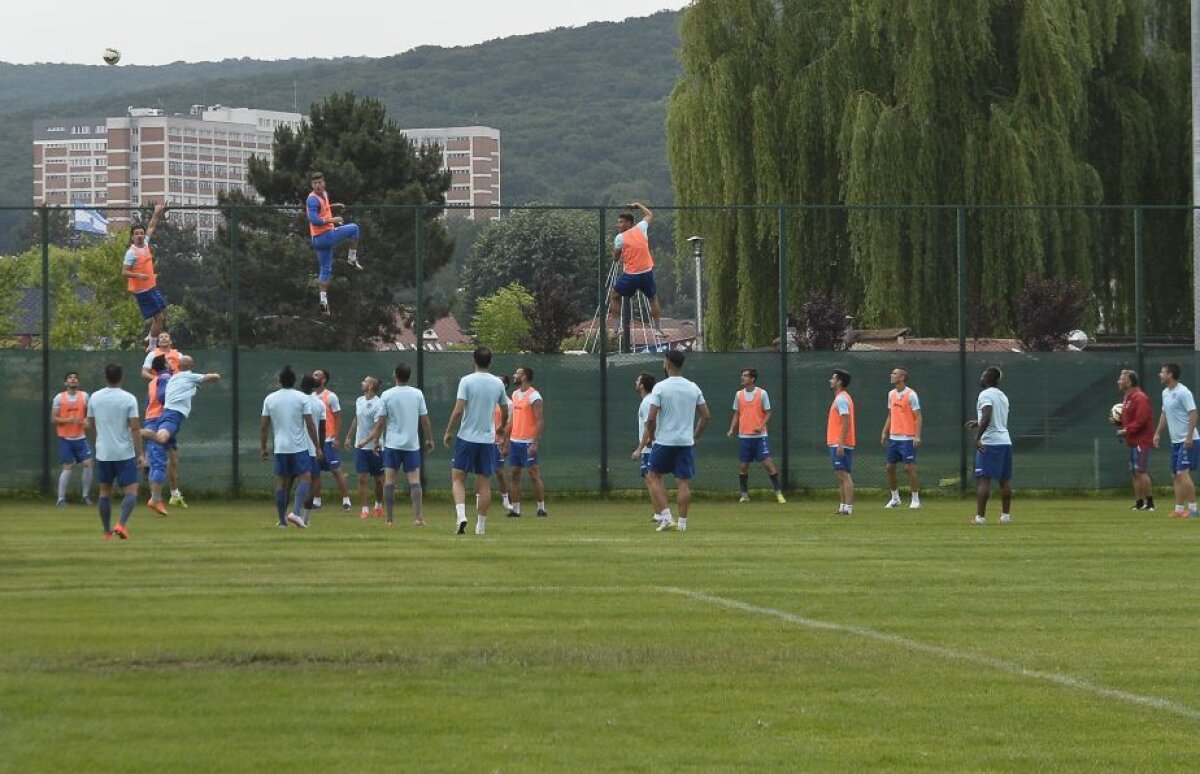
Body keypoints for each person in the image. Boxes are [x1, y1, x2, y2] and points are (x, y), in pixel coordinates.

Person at [443, 347, 509, 536]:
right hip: (487, 440)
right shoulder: (498, 383)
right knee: (484, 482)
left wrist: (448, 431)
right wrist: (502, 426)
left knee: (457, 478)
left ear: (474, 360)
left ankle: (461, 516)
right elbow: (505, 410)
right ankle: (481, 526)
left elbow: (458, 410)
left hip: (466, 438)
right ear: (490, 361)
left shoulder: (466, 381)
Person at [359, 362, 435, 527]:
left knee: (390, 481)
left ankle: (389, 519)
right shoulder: (417, 394)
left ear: (395, 375)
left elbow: (380, 422)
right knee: (414, 481)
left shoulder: (387, 395)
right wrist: (429, 439)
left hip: (392, 445)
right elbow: (425, 420)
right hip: (411, 445)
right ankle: (418, 517)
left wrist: (377, 441)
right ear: (409, 375)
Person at [642, 349, 709, 532]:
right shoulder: (693, 387)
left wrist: (652, 435)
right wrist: (695, 436)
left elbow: (651, 417)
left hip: (664, 441)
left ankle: (666, 517)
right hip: (685, 442)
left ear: (667, 363)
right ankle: (682, 523)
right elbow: (705, 416)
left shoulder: (660, 387)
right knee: (683, 481)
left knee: (653, 476)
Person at [85, 363, 144, 540]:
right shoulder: (129, 398)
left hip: (103, 452)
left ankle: (106, 532)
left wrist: (98, 443)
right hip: (124, 453)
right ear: (121, 377)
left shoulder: (94, 397)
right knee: (131, 491)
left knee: (104, 492)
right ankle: (121, 524)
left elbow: (90, 424)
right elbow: (135, 428)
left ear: (106, 377)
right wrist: (140, 453)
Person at [260, 365, 321, 529]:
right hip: (299, 447)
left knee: (281, 484)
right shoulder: (301, 398)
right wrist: (317, 446)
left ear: (279, 381)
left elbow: (264, 426)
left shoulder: (270, 399)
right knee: (306, 478)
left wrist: (263, 447)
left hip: (280, 447)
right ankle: (295, 512)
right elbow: (310, 424)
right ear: (294, 381)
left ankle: (282, 521)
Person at [726, 367, 785, 504]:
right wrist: (731, 429)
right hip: (744, 437)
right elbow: (736, 414)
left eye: (745, 376)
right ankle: (744, 495)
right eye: (742, 375)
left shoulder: (762, 393)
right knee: (743, 466)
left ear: (752, 379)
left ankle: (778, 493)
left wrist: (761, 426)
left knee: (768, 464)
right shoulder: (738, 395)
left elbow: (768, 412)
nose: (742, 378)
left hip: (760, 437)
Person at [140, 332, 187, 508]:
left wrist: (173, 383)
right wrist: (160, 380)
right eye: (161, 337)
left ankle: (174, 494)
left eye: (167, 336)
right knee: (160, 454)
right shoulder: (153, 356)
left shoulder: (178, 356)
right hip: (159, 409)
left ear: (171, 340)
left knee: (172, 457)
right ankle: (156, 497)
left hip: (170, 408)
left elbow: (185, 371)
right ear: (157, 342)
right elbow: (144, 372)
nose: (164, 338)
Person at [307, 171, 362, 315]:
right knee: (354, 229)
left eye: (319, 183)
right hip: (324, 236)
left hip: (319, 240)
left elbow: (323, 209)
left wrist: (334, 205)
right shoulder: (312, 199)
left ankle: (323, 303)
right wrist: (333, 220)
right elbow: (314, 219)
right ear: (312, 185)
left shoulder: (324, 195)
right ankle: (351, 258)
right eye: (315, 183)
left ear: (324, 183)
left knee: (325, 270)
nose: (317, 185)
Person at [608, 202, 666, 338]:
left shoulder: (620, 238)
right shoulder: (641, 227)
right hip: (647, 273)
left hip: (632, 275)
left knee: (615, 296)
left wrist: (618, 254)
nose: (618, 225)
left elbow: (615, 258)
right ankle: (658, 330)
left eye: (621, 222)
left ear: (629, 223)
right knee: (653, 299)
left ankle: (616, 329)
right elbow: (649, 214)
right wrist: (638, 205)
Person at [141, 356, 221, 448]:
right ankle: (136, 432)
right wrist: (216, 374)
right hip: (173, 414)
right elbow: (215, 377)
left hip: (168, 413)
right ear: (192, 366)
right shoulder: (190, 376)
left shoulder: (173, 378)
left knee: (172, 454)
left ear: (178, 366)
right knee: (161, 438)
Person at [966, 366, 1012, 525]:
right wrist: (978, 423)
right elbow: (995, 419)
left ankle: (980, 518)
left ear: (987, 379)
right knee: (1004, 481)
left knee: (984, 480)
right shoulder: (1003, 396)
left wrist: (977, 437)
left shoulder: (985, 394)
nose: (981, 378)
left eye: (982, 376)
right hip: (1005, 441)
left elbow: (987, 416)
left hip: (990, 442)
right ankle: (1005, 517)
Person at [1153, 362, 1198, 519]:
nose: (1160, 374)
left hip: (1188, 440)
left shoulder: (1183, 392)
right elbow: (1164, 414)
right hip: (1176, 442)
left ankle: (1193, 510)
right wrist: (1157, 433)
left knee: (1182, 473)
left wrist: (1188, 437)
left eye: (1162, 372)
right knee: (1175, 475)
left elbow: (1193, 414)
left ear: (1170, 374)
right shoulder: (1165, 392)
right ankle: (1179, 509)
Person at [121, 202, 168, 350]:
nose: (140, 235)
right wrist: (138, 275)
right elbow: (124, 272)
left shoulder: (146, 244)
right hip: (142, 290)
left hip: (151, 286)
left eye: (141, 233)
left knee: (163, 312)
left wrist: (156, 212)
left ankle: (150, 335)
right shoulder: (131, 253)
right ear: (132, 237)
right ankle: (152, 345)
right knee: (159, 317)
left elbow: (152, 226)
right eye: (137, 234)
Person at [343, 375, 385, 520]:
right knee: (362, 478)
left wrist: (366, 441)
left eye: (365, 381)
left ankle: (378, 505)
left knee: (379, 481)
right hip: (360, 447)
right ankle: (364, 509)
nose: (362, 383)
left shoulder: (379, 404)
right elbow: (357, 418)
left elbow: (378, 427)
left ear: (371, 386)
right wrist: (349, 436)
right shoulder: (359, 400)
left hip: (376, 447)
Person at [507, 366, 547, 518]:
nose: (514, 375)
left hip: (528, 441)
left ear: (524, 377)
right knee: (514, 474)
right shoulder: (515, 394)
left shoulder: (534, 396)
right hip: (514, 441)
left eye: (517, 373)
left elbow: (540, 421)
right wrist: (505, 438)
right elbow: (512, 420)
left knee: (533, 474)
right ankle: (516, 510)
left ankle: (541, 508)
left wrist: (535, 443)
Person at [880, 366, 922, 509]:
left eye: (894, 373)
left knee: (908, 468)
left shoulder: (911, 395)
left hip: (907, 438)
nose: (891, 375)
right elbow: (891, 415)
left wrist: (917, 436)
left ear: (902, 378)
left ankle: (915, 499)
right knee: (890, 467)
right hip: (894, 437)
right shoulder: (891, 394)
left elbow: (918, 416)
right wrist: (885, 432)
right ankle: (895, 498)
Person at [312, 368, 352, 512]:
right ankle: (316, 501)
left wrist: (336, 436)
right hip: (315, 441)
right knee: (314, 472)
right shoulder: (309, 396)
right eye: (313, 374)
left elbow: (337, 416)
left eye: (317, 375)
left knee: (336, 470)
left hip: (328, 439)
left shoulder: (331, 396)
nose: (314, 376)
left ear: (323, 380)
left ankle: (346, 500)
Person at [50, 371, 93, 506]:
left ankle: (85, 496)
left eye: (75, 378)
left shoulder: (85, 396)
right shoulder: (59, 398)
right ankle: (61, 499)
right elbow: (53, 418)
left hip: (80, 438)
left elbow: (90, 413)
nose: (73, 380)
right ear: (66, 382)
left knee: (88, 464)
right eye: (70, 378)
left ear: (78, 382)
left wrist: (87, 420)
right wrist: (68, 420)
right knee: (67, 467)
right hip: (65, 438)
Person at [1114, 369, 1154, 512]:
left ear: (1129, 382)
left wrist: (1126, 430)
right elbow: (1131, 419)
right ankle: (1139, 503)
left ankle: (1150, 504)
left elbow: (1142, 420)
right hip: (1132, 441)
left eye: (1121, 379)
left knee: (1141, 471)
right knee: (1134, 472)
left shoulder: (1140, 397)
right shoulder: (1127, 397)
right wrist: (1119, 423)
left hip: (1141, 441)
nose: (1118, 381)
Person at [143, 355, 173, 516]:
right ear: (165, 364)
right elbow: (162, 397)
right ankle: (155, 500)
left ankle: (155, 498)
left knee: (156, 462)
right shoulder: (166, 377)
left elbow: (147, 401)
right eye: (168, 361)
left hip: (150, 419)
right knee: (161, 463)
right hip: (158, 420)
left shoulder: (152, 381)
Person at [298, 374, 326, 525]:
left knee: (287, 481)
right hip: (311, 449)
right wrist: (319, 448)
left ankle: (283, 518)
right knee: (312, 483)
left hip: (295, 447)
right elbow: (322, 429)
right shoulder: (319, 403)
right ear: (315, 387)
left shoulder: (296, 401)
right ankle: (306, 519)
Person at [827, 369, 856, 516]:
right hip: (836, 442)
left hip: (841, 443)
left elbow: (846, 421)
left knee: (844, 475)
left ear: (839, 382)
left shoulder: (842, 399)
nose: (830, 381)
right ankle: (843, 506)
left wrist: (840, 443)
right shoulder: (840, 398)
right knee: (840, 476)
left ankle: (849, 508)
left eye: (833, 378)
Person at [630, 371, 657, 522]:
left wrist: (640, 448)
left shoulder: (647, 402)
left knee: (652, 479)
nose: (635, 383)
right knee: (651, 479)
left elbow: (649, 426)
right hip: (649, 446)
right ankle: (658, 513)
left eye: (637, 381)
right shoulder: (649, 401)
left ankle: (661, 513)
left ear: (642, 385)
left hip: (649, 448)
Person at [491, 374, 513, 514]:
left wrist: (506, 442)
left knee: (499, 472)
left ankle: (506, 500)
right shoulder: (489, 399)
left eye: (499, 381)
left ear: (504, 385)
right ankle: (478, 500)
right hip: (484, 439)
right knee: (480, 472)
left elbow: (509, 425)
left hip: (497, 441)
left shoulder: (509, 403)